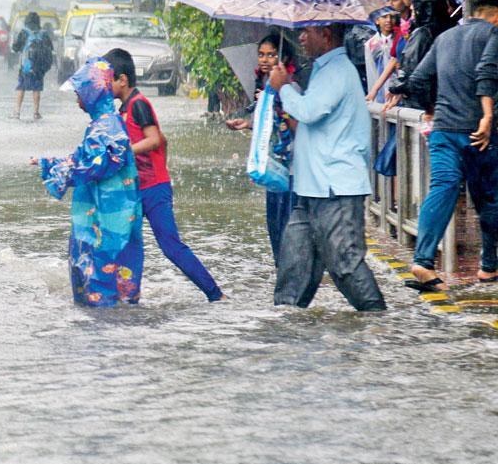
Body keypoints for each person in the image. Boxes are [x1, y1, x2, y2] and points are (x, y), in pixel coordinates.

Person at [269, 23, 386, 311]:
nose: (302, 37)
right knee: (293, 266)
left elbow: (310, 111)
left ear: (327, 34)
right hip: (311, 187)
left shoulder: (337, 70)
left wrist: (283, 88)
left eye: (309, 31)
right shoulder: (323, 69)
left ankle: (379, 324)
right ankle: (282, 333)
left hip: (335, 187)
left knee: (345, 264)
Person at [387, 0, 498, 291]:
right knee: (488, 197)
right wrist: (487, 116)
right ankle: (488, 268)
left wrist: (426, 106)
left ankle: (422, 262)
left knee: (443, 187)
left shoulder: (445, 38)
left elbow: (418, 77)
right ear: (496, 16)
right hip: (479, 133)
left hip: (444, 128)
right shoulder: (493, 34)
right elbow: (487, 72)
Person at [105, 48, 223, 302]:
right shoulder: (123, 109)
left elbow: (155, 139)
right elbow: (164, 141)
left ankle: (215, 294)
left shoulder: (139, 105)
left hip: (153, 190)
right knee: (126, 245)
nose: (105, 87)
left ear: (122, 80)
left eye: (108, 81)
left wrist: (136, 159)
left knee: (171, 246)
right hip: (137, 189)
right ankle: (127, 298)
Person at [34, 57, 143, 307]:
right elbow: (83, 159)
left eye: (80, 93)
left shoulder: (108, 127)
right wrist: (49, 163)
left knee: (102, 272)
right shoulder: (102, 124)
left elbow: (96, 165)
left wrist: (59, 173)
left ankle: (103, 327)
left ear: (94, 92)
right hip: (105, 211)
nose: (77, 100)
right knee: (106, 272)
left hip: (108, 215)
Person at [225, 35, 299, 262]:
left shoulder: (290, 88)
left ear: (283, 57)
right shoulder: (265, 89)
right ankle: (282, 276)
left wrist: (280, 102)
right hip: (272, 166)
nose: (265, 60)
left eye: (271, 54)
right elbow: (270, 127)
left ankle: (291, 277)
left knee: (288, 227)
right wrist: (247, 124)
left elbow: (297, 126)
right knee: (274, 227)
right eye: (261, 54)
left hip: (292, 169)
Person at [11, 12, 53, 120]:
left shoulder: (24, 33)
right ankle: (36, 112)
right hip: (39, 68)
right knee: (37, 89)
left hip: (26, 67)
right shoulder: (44, 34)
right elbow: (50, 49)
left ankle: (17, 112)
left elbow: (15, 48)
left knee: (21, 87)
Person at [364, 7, 398, 102]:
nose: (389, 20)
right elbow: (371, 72)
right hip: (379, 92)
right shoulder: (370, 44)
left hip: (396, 90)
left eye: (392, 17)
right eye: (384, 17)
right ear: (377, 20)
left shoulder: (399, 40)